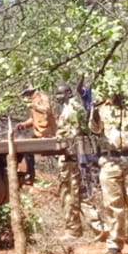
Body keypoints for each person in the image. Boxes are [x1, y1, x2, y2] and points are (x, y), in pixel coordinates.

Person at [95, 91, 128, 254]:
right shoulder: (102, 109)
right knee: (112, 203)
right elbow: (94, 128)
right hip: (110, 160)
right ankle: (115, 243)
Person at [54, 85, 93, 238]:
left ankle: (74, 229)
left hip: (72, 157)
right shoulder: (69, 108)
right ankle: (96, 229)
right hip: (70, 157)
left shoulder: (73, 109)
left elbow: (75, 134)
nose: (58, 97)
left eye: (61, 93)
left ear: (69, 93)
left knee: (71, 192)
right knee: (75, 193)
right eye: (56, 94)